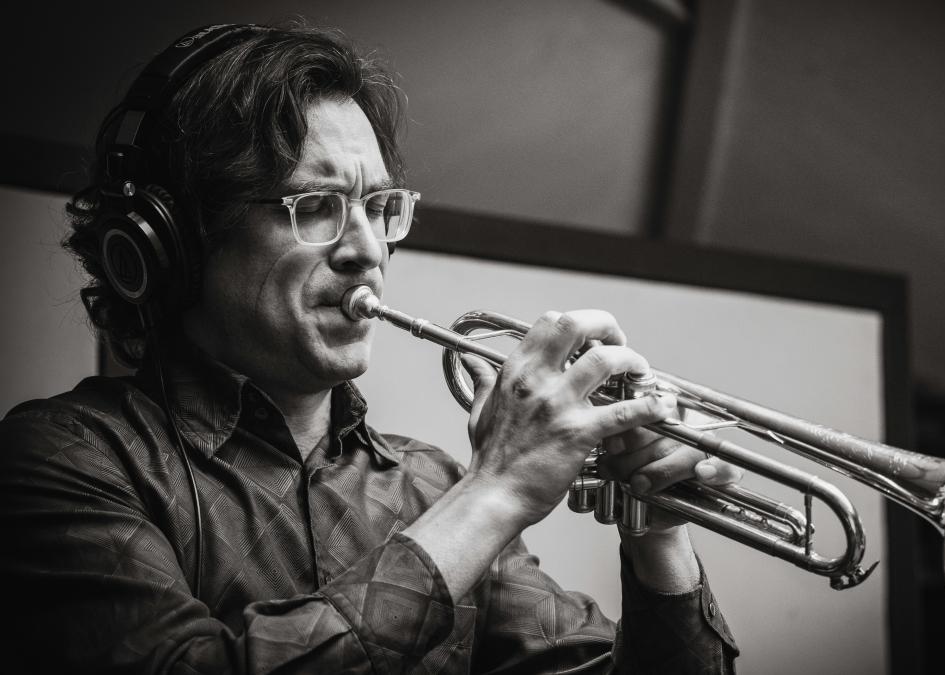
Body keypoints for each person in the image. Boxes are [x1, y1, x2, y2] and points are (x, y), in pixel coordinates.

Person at [0, 22, 740, 674]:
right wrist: (497, 492)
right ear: (185, 242)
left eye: (379, 208)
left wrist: (660, 537)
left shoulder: (429, 486)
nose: (366, 250)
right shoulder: (65, 459)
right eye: (315, 207)